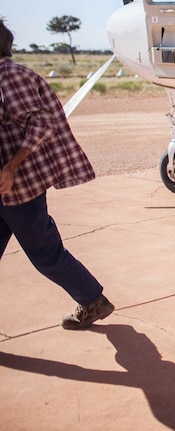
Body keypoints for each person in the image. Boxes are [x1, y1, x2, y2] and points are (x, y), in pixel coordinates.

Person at [0, 18, 113, 330]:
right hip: (6, 188)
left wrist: (11, 165)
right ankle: (92, 299)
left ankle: (92, 300)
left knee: (46, 253)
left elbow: (41, 123)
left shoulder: (10, 76)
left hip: (18, 189)